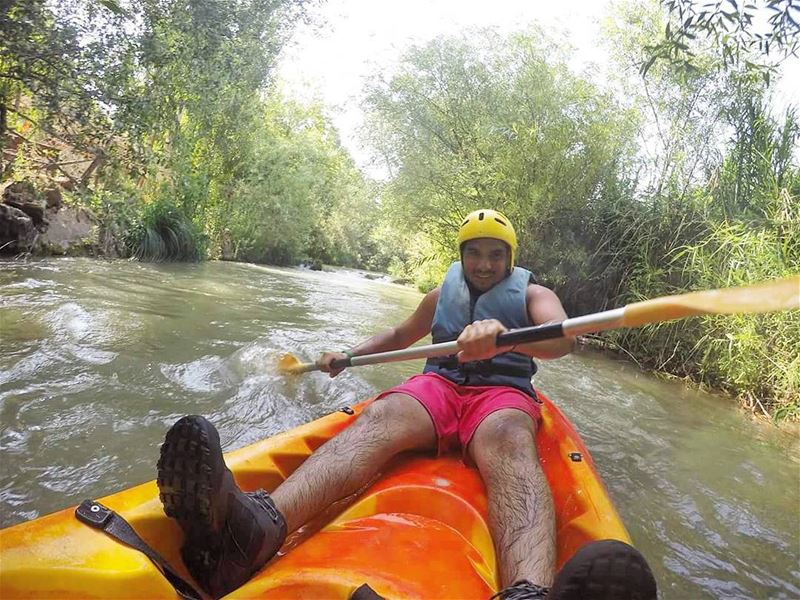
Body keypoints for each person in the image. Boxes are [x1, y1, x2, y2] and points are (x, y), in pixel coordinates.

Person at [157, 209, 657, 600]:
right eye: (475, 254)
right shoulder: (443, 292)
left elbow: (560, 341)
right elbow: (401, 335)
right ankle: (251, 533)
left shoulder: (535, 295)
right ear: (462, 255)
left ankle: (527, 590)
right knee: (384, 415)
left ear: (510, 258)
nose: (484, 264)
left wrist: (507, 339)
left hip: (501, 395)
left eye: (495, 255)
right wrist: (350, 356)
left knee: (509, 440)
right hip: (438, 386)